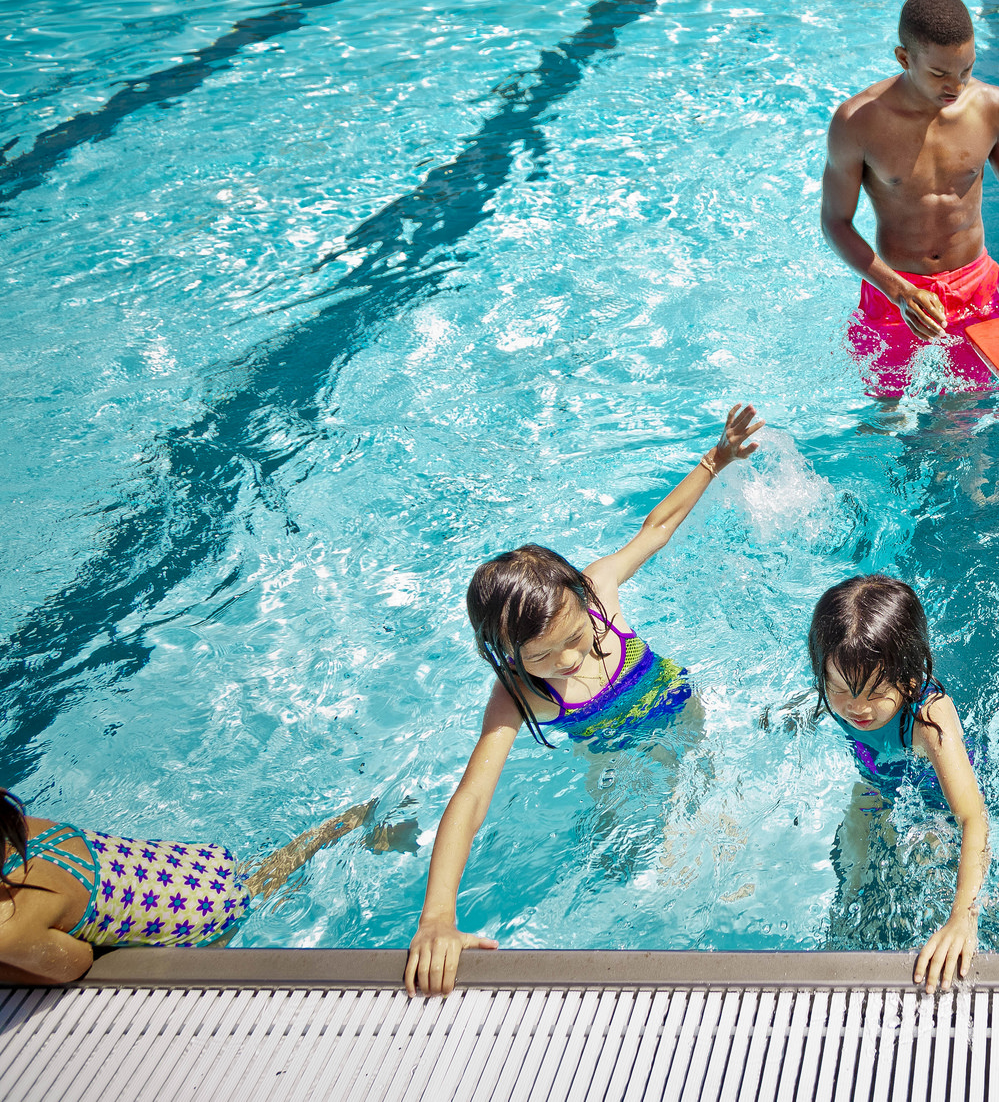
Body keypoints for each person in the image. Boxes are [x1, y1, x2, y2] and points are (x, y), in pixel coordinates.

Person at [403, 403, 764, 997]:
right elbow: (470, 800)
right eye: (542, 657)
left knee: (708, 813)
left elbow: (657, 528)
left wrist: (715, 459)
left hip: (679, 713)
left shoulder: (598, 590)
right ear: (508, 658)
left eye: (574, 638)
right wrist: (436, 918)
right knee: (616, 850)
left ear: (581, 598)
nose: (569, 661)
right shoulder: (517, 695)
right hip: (611, 756)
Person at [821, 0, 999, 393]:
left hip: (975, 287)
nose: (955, 86)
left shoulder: (991, 107)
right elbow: (835, 221)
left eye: (966, 70)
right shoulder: (858, 123)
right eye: (939, 74)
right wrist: (900, 291)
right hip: (895, 291)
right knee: (889, 416)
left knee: (972, 416)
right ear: (904, 58)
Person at [808, 575, 988, 992]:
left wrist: (963, 915)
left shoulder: (930, 720)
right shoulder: (843, 681)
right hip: (878, 782)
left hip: (937, 796)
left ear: (908, 678)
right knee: (853, 883)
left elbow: (973, 817)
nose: (856, 708)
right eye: (837, 690)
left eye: (873, 691)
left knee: (925, 874)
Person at [0, 787, 377, 983]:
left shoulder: (7, 925)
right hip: (181, 867)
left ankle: (353, 832)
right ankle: (341, 829)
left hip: (195, 916)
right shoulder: (16, 825)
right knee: (260, 877)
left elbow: (73, 967)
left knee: (262, 890)